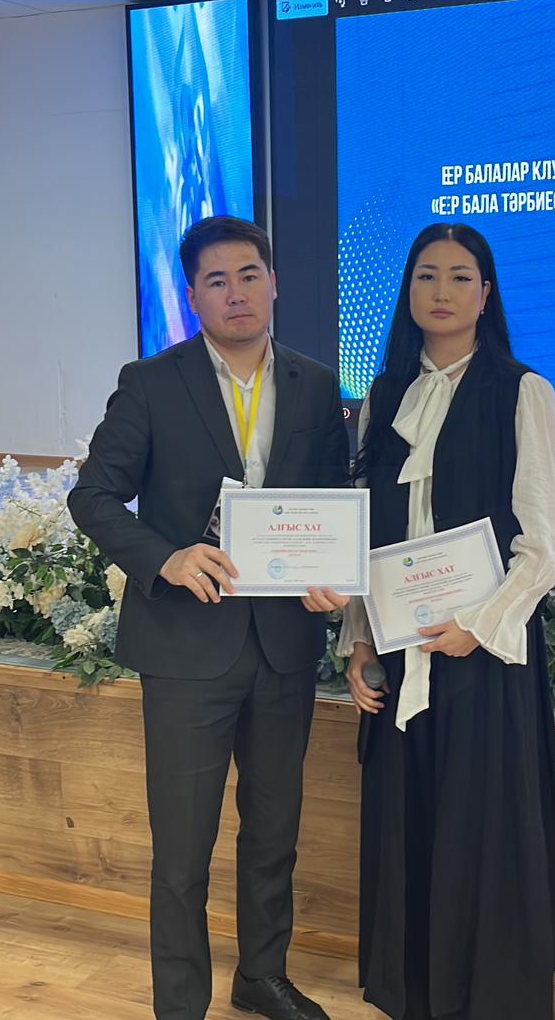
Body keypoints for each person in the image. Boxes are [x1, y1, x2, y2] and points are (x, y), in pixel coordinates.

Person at [68, 216, 350, 1020]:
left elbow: (333, 500)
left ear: (274, 283)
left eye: (249, 275)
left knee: (274, 833)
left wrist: (333, 573)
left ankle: (262, 976)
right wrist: (165, 558)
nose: (236, 293)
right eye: (216, 281)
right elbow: (92, 495)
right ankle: (181, 1003)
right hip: (187, 648)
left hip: (284, 645)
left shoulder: (315, 384)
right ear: (193, 297)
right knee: (183, 849)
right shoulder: (152, 382)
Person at [339, 222, 555, 1020]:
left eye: (459, 276)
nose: (440, 291)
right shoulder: (383, 396)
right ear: (407, 292)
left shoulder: (523, 391)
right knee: (407, 820)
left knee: (482, 829)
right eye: (425, 275)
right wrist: (360, 641)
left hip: (483, 651)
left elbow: (545, 541)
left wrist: (479, 624)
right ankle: (414, 990)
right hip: (400, 650)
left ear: (486, 294)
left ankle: (487, 999)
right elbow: (369, 535)